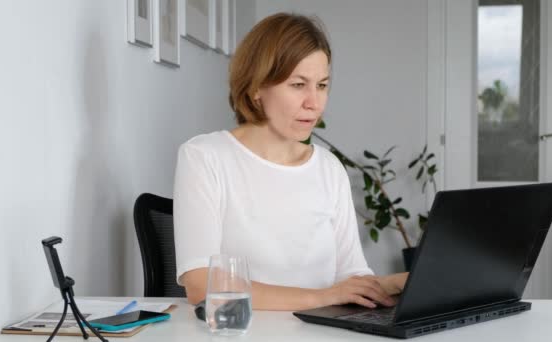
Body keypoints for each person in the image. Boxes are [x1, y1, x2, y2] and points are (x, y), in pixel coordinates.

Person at [173, 12, 407, 311]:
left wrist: (401, 282)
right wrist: (323, 297)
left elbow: (350, 276)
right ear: (257, 87)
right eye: (298, 85)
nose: (314, 102)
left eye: (322, 85)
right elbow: (201, 285)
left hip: (322, 333)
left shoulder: (328, 168)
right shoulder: (205, 157)